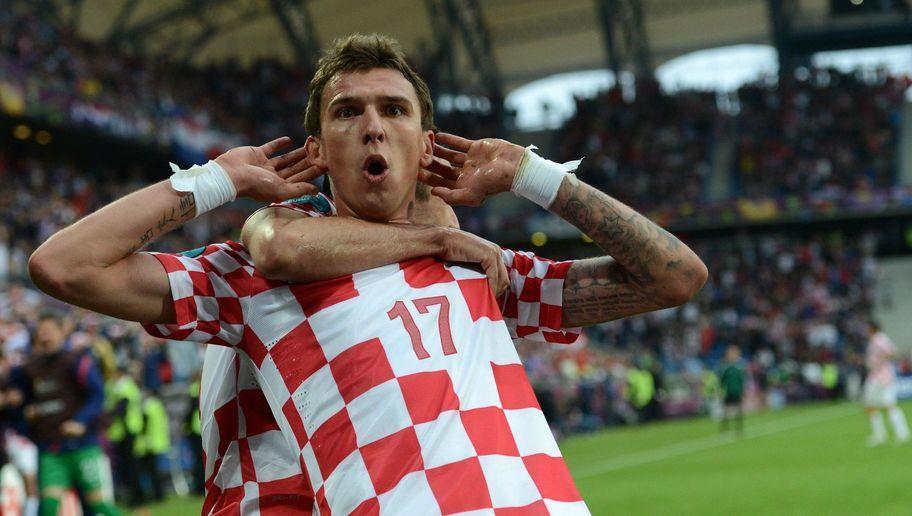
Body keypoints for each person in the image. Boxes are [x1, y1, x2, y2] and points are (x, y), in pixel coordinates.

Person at [28, 33, 707, 514]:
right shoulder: (255, 273)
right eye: (349, 112)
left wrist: (535, 176)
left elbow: (675, 277)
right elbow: (63, 265)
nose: (373, 127)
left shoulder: (481, 269)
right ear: (319, 151)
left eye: (394, 110)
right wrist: (218, 179)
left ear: (426, 144)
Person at [10, 312, 118, 516]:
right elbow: (20, 400)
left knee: (99, 507)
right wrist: (24, 408)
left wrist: (80, 421)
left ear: (62, 332)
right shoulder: (29, 369)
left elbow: (97, 396)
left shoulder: (77, 362)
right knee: (48, 508)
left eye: (49, 331)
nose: (45, 337)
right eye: (41, 333)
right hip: (52, 450)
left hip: (83, 446)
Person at [862, 320, 909, 446]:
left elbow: (892, 352)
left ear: (872, 328)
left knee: (885, 404)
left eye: (867, 327)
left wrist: (879, 362)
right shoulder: (876, 340)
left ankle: (898, 433)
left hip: (881, 376)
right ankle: (884, 434)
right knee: (871, 405)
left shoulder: (880, 339)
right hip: (878, 375)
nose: (865, 330)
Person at [718, 345, 746, 435]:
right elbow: (722, 381)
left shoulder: (739, 367)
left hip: (737, 392)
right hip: (728, 392)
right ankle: (725, 429)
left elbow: (742, 381)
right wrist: (721, 391)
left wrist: (742, 391)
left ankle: (739, 429)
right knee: (726, 411)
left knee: (739, 410)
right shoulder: (725, 367)